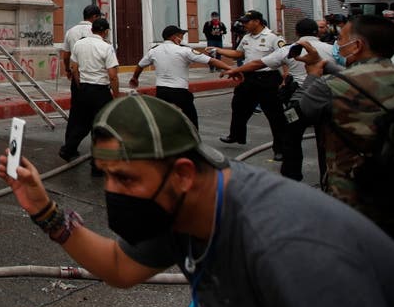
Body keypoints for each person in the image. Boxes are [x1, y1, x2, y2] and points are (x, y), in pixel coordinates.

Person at [0, 94, 394, 307]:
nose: (113, 191)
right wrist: (44, 210)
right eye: (108, 176)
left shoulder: (287, 249)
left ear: (184, 173)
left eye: (127, 179)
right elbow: (119, 267)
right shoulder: (182, 208)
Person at [295, 14, 394, 285]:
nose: (338, 44)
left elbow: (300, 115)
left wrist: (313, 76)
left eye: (341, 39)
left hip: (351, 193)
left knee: (358, 272)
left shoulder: (331, 86)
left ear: (358, 45)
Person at [224, 18, 334, 181]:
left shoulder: (289, 50)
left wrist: (236, 70)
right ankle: (328, 177)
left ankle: (292, 176)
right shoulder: (332, 49)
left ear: (296, 32)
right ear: (317, 32)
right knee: (326, 140)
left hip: (299, 98)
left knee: (291, 137)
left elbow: (258, 64)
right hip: (326, 97)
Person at [206, 10, 285, 153]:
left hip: (268, 79)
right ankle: (236, 135)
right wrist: (219, 50)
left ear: (257, 21)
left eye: (246, 22)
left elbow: (286, 57)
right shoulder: (246, 37)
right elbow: (239, 53)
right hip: (249, 77)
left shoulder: (273, 37)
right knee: (238, 105)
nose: (244, 25)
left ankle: (280, 149)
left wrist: (286, 78)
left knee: (274, 115)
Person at [129, 24, 234, 128]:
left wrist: (135, 78)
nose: (182, 39)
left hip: (161, 92)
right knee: (190, 122)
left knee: (163, 121)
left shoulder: (154, 51)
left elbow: (140, 65)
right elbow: (211, 61)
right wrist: (231, 69)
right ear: (174, 37)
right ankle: (193, 141)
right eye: (181, 36)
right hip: (179, 92)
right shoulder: (184, 51)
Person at [60, 17, 119, 172]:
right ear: (105, 32)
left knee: (81, 122)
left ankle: (68, 148)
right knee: (100, 127)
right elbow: (112, 75)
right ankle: (97, 164)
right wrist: (116, 94)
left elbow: (74, 68)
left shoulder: (79, 44)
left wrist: (80, 85)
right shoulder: (107, 47)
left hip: (84, 89)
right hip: (100, 91)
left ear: (92, 29)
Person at [60, 4, 101, 94]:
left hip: (76, 74)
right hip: (94, 76)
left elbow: (66, 55)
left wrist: (67, 70)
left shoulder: (70, 31)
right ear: (94, 17)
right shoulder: (97, 31)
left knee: (77, 105)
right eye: (99, 17)